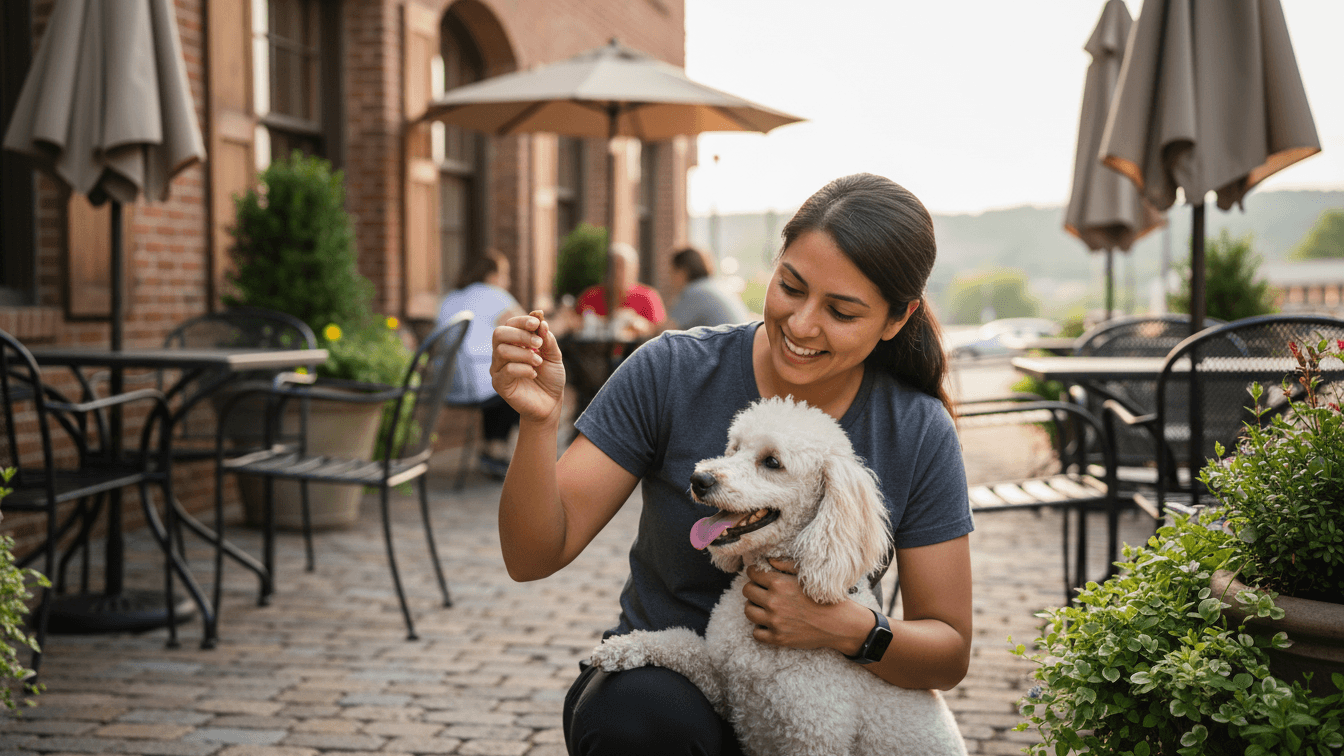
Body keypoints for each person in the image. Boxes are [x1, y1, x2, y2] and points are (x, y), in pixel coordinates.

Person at [491, 173, 973, 755]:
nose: (801, 325)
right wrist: (539, 422)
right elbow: (531, 555)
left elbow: (947, 650)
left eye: (842, 312)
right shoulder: (671, 370)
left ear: (896, 320)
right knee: (641, 722)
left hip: (821, 709)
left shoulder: (917, 429)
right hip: (662, 696)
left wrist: (846, 627)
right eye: (790, 287)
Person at [437, 250, 525, 478]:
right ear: (491, 275)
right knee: (521, 381)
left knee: (499, 380)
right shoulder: (494, 295)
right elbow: (528, 327)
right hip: (481, 381)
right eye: (505, 274)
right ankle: (495, 449)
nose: (508, 281)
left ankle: (490, 448)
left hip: (449, 383)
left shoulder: (450, 297)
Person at [575, 242, 667, 337]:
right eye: (613, 267)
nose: (617, 274)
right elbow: (575, 324)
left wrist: (640, 325)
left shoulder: (649, 296)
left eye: (622, 268)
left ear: (635, 270)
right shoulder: (590, 296)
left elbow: (660, 331)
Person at [663, 246, 754, 330]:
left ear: (682, 272)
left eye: (671, 272)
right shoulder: (714, 285)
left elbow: (666, 333)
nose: (670, 279)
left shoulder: (694, 292)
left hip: (729, 346)